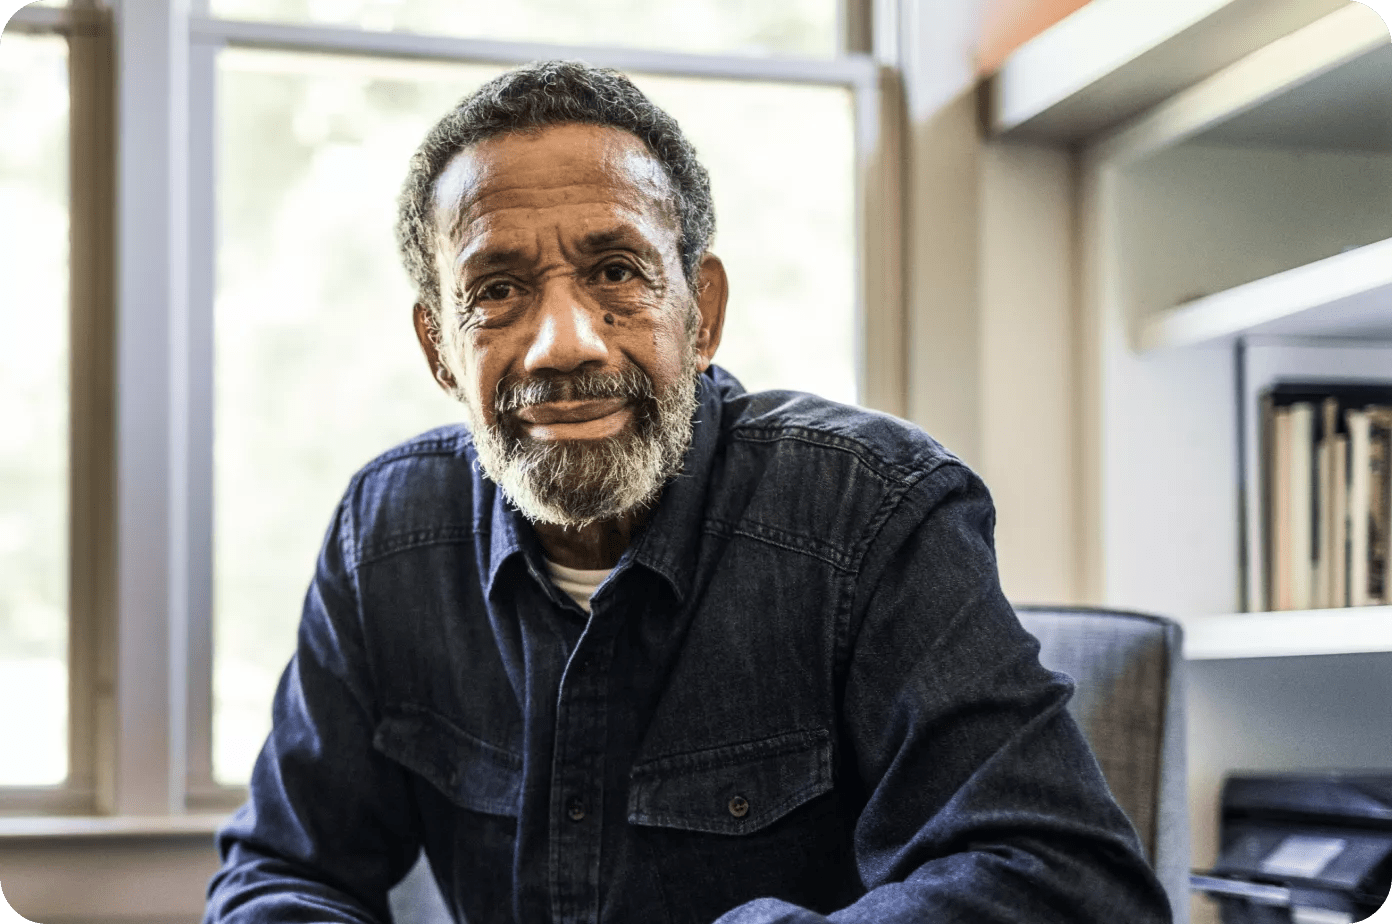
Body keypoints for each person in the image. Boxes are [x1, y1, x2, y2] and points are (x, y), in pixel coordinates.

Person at [204, 60, 1172, 924]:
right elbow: (284, 872)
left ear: (700, 312)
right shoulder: (387, 532)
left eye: (617, 271)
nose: (563, 344)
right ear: (440, 351)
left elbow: (1063, 885)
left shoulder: (875, 508)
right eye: (495, 290)